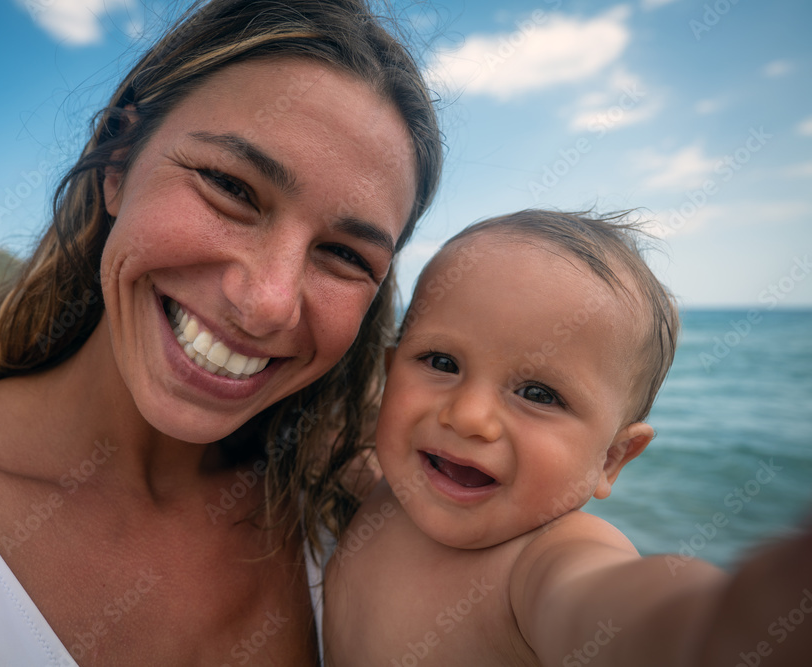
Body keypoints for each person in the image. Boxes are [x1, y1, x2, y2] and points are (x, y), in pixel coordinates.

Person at [0, 1, 442, 665]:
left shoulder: (357, 515)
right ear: (116, 159)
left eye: (346, 255)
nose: (266, 303)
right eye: (231, 186)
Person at [323, 210, 812, 667]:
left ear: (612, 458)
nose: (469, 417)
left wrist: (724, 621)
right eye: (441, 363)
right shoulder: (377, 482)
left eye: (538, 393)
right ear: (389, 376)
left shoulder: (542, 560)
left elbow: (609, 603)